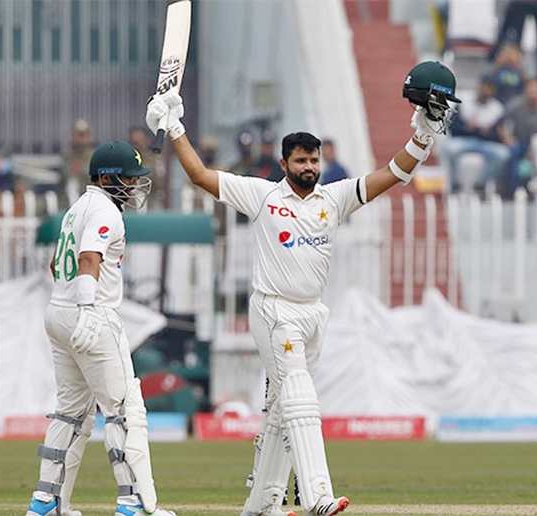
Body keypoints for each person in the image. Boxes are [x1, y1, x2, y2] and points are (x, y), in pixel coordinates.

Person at [145, 60, 456, 516]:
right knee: (300, 395)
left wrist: (423, 137)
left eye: (314, 160)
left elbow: (393, 174)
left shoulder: (335, 197)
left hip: (313, 313)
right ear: (285, 164)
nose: (309, 167)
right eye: (301, 161)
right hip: (273, 309)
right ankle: (317, 497)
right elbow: (201, 176)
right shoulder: (264, 195)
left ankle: (262, 503)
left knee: (279, 411)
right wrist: (174, 129)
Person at [25, 141, 176, 516]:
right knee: (125, 410)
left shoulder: (77, 208)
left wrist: (74, 303)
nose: (135, 185)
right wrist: (89, 308)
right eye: (128, 178)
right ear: (107, 177)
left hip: (58, 312)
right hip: (89, 313)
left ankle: (47, 502)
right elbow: (89, 258)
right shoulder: (106, 211)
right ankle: (136, 504)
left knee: (71, 413)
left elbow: (56, 268)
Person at [442, 75, 512, 195]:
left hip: (486, 143)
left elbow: (498, 135)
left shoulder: (497, 109)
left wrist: (489, 132)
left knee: (503, 154)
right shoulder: (464, 102)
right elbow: (452, 127)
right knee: (450, 149)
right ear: (479, 87)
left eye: (490, 89)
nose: (487, 92)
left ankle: (481, 184)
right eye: (485, 88)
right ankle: (455, 183)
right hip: (465, 140)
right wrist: (467, 128)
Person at [500, 79, 537, 199]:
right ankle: (512, 192)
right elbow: (501, 124)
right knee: (512, 157)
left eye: (536, 91)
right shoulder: (515, 105)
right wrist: (507, 138)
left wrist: (536, 148)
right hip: (519, 143)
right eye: (530, 91)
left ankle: (535, 193)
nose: (533, 95)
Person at [58, 118, 96, 209]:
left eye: (84, 136)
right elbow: (66, 175)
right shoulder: (67, 157)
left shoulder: (95, 156)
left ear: (89, 137)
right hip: (68, 204)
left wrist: (82, 169)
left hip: (91, 203)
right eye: (78, 135)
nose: (81, 140)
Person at [129, 126, 165, 209]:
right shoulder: (126, 159)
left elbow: (161, 184)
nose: (138, 144)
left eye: (140, 140)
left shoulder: (155, 159)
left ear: (147, 140)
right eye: (134, 142)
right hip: (130, 203)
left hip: (150, 201)